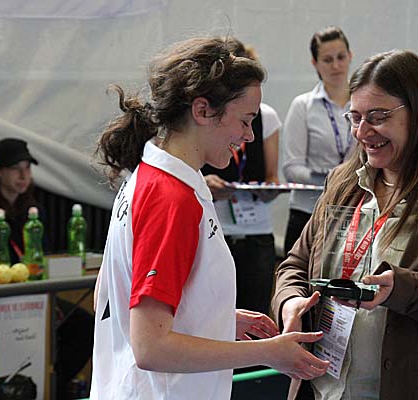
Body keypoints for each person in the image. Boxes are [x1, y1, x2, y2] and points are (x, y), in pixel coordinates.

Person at [91, 36, 328, 400]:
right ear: (202, 111)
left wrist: (216, 321)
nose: (249, 135)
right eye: (245, 120)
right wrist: (268, 352)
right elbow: (151, 347)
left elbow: (113, 298)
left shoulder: (152, 176)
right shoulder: (172, 197)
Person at [272, 49, 418, 400]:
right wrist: (291, 302)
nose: (362, 132)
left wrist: (406, 291)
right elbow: (294, 265)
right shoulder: (343, 183)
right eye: (355, 117)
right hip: (326, 390)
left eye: (378, 117)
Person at [0, 137, 94, 400]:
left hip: (33, 292)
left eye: (27, 168)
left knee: (84, 325)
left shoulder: (33, 210)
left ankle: (53, 387)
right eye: (16, 169)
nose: (23, 176)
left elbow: (42, 255)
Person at [202, 38, 281, 315]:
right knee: (215, 315)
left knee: (255, 316)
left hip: (256, 229)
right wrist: (203, 184)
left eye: (250, 122)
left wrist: (270, 188)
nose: (248, 134)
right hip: (216, 228)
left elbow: (272, 176)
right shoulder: (206, 116)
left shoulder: (266, 117)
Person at [282, 26, 354, 254]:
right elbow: (292, 168)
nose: (336, 66)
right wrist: (330, 178)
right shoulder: (303, 106)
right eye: (327, 60)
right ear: (315, 63)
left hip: (352, 211)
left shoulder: (364, 105)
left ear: (350, 56)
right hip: (308, 212)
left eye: (341, 57)